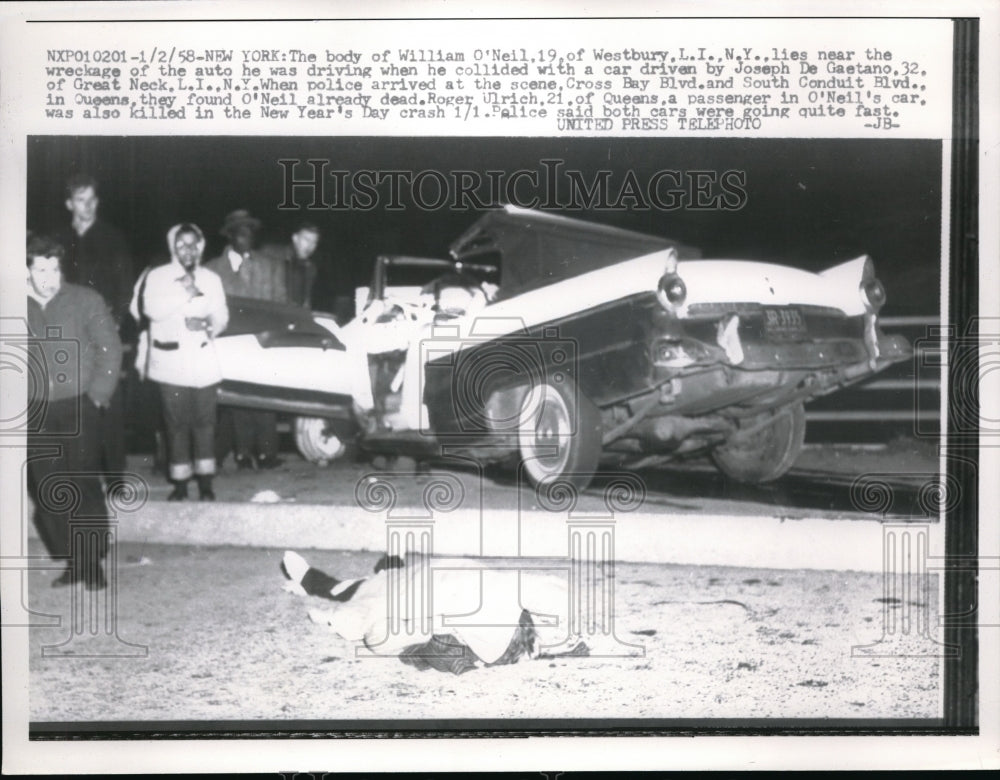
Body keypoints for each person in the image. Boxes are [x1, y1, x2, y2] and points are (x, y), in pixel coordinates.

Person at [280, 550, 587, 674]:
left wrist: (334, 620)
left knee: (353, 588)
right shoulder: (501, 596)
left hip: (413, 585)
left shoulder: (507, 594)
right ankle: (315, 581)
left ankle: (311, 581)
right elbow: (378, 635)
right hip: (424, 580)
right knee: (373, 585)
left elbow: (375, 631)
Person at [26, 234, 122, 590]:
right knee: (48, 489)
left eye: (54, 267)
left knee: (83, 485)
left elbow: (110, 349)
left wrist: (97, 395)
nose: (48, 276)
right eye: (40, 268)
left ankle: (92, 561)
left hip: (80, 406)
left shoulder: (85, 299)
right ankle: (73, 561)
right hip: (35, 410)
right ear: (26, 271)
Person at [138, 223, 228, 501]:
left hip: (203, 362)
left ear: (200, 246)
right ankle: (179, 483)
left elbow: (222, 314)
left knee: (205, 422)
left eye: (192, 244)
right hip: (170, 364)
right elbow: (151, 309)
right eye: (181, 245)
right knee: (175, 424)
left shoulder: (211, 278)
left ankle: (205, 482)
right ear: (172, 248)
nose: (187, 250)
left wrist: (209, 323)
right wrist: (185, 293)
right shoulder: (158, 276)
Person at [53, 173, 133, 475]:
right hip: (69, 335)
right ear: (69, 203)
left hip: (102, 333)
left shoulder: (113, 238)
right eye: (81, 201)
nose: (88, 207)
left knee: (107, 402)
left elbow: (125, 289)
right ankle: (76, 472)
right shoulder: (58, 240)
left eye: (92, 200)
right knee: (71, 402)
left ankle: (115, 476)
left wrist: (112, 325)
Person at [205, 209, 284, 470]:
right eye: (240, 231)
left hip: (263, 342)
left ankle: (267, 453)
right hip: (229, 343)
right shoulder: (212, 270)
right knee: (236, 399)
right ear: (229, 235)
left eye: (250, 231)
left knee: (264, 396)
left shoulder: (270, 267)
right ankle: (242, 453)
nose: (245, 236)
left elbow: (280, 305)